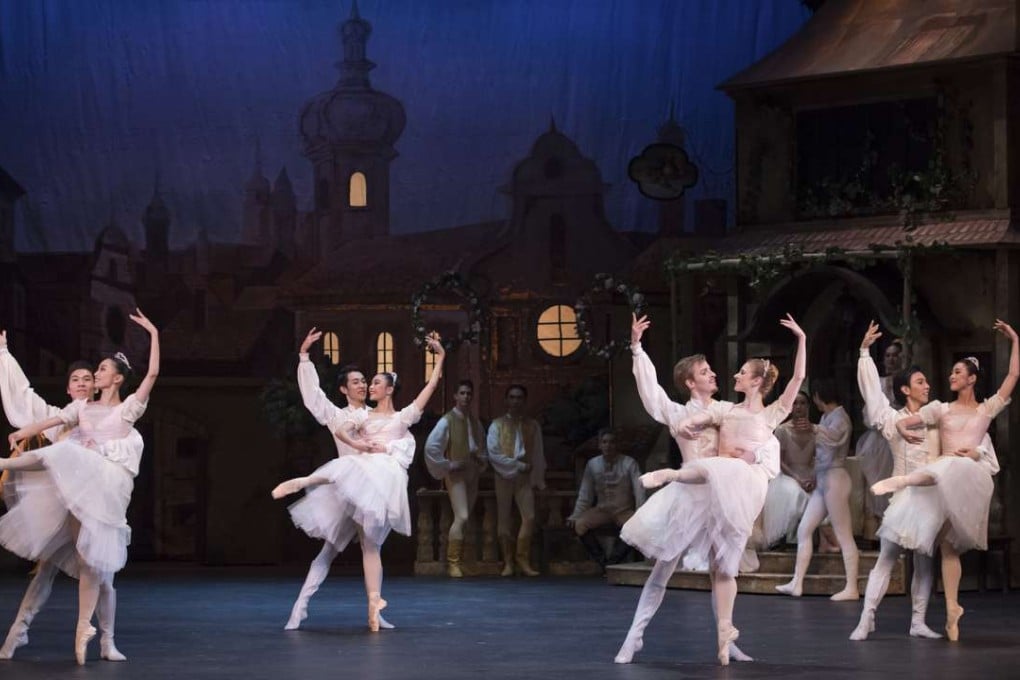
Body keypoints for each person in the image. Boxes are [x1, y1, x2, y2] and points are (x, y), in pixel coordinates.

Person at [616, 313, 800, 667]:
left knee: (723, 569)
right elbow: (651, 394)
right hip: (687, 496)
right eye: (705, 372)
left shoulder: (727, 409)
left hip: (721, 498)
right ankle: (633, 636)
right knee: (662, 570)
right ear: (689, 382)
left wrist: (753, 454)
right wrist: (637, 348)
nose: (714, 374)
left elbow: (762, 430)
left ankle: (726, 640)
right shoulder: (676, 412)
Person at [0, 310, 159, 665]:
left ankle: (104, 641)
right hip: (64, 507)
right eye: (80, 379)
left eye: (93, 376)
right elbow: (29, 404)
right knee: (48, 570)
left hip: (100, 505)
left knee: (102, 576)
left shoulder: (121, 420)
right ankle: (18, 633)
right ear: (71, 388)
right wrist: (4, 357)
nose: (87, 382)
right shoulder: (73, 414)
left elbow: (148, 381)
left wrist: (152, 333)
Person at [273, 333, 445, 631]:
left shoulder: (376, 414)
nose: (364, 385)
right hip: (345, 491)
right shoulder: (340, 415)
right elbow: (314, 398)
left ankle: (375, 612)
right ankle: (299, 607)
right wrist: (304, 358)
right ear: (343, 389)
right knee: (328, 552)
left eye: (367, 381)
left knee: (369, 549)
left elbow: (403, 438)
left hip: (374, 494)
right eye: (356, 381)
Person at [873, 319, 1017, 640]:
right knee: (948, 547)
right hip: (944, 473)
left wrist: (1015, 340)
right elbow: (909, 419)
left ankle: (944, 606)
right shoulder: (942, 409)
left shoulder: (985, 410)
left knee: (945, 538)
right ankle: (952, 609)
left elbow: (1013, 377)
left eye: (957, 373)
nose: (951, 376)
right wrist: (900, 427)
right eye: (951, 372)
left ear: (972, 380)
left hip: (967, 476)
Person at [847, 321, 989, 641]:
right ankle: (866, 617)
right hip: (903, 497)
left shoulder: (939, 419)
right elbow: (872, 396)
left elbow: (968, 438)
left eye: (927, 382)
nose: (927, 386)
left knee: (924, 563)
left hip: (931, 497)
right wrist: (864, 352)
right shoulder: (894, 420)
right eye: (920, 382)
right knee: (887, 556)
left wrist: (973, 454)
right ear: (905, 389)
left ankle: (918, 621)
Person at [775, 378, 859, 600]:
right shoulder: (826, 417)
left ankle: (852, 587)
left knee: (844, 534)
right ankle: (797, 582)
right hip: (823, 479)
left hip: (835, 479)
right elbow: (820, 448)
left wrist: (814, 429)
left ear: (820, 396)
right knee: (804, 529)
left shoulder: (840, 417)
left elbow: (833, 439)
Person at [424, 379, 487, 578]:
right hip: (456, 475)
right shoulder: (447, 420)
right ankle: (453, 563)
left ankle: (464, 560)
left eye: (469, 393)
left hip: (472, 473)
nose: (466, 397)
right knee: (462, 516)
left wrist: (480, 459)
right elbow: (431, 447)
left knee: (466, 518)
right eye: (462, 393)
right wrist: (449, 465)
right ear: (455, 396)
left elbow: (482, 447)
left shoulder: (475, 422)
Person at [487, 384, 546, 577]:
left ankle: (522, 558)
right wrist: (516, 465)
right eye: (512, 397)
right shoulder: (497, 425)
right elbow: (493, 453)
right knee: (504, 520)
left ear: (524, 401)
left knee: (529, 517)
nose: (515, 401)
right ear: (506, 400)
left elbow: (538, 453)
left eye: (519, 398)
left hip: (525, 478)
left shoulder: (532, 425)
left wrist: (539, 479)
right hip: (503, 476)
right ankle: (508, 561)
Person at [566, 428, 645, 572]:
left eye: (612, 442)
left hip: (623, 510)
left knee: (636, 529)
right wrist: (576, 514)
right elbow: (586, 493)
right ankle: (603, 562)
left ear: (617, 445)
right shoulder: (593, 464)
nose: (608, 445)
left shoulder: (629, 463)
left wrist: (640, 512)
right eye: (604, 442)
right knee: (580, 524)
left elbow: (639, 490)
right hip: (602, 509)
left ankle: (613, 563)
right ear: (600, 445)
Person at [854, 339, 903, 519]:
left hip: (901, 436)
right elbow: (870, 411)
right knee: (879, 480)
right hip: (879, 438)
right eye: (888, 356)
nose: (891, 359)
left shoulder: (908, 381)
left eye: (895, 355)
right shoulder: (879, 383)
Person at [759, 392, 813, 549]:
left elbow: (819, 458)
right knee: (793, 492)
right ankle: (788, 538)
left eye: (802, 403)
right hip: (787, 473)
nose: (799, 407)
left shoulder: (814, 430)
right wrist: (798, 478)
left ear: (808, 406)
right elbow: (779, 460)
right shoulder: (782, 430)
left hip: (809, 473)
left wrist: (813, 477)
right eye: (795, 403)